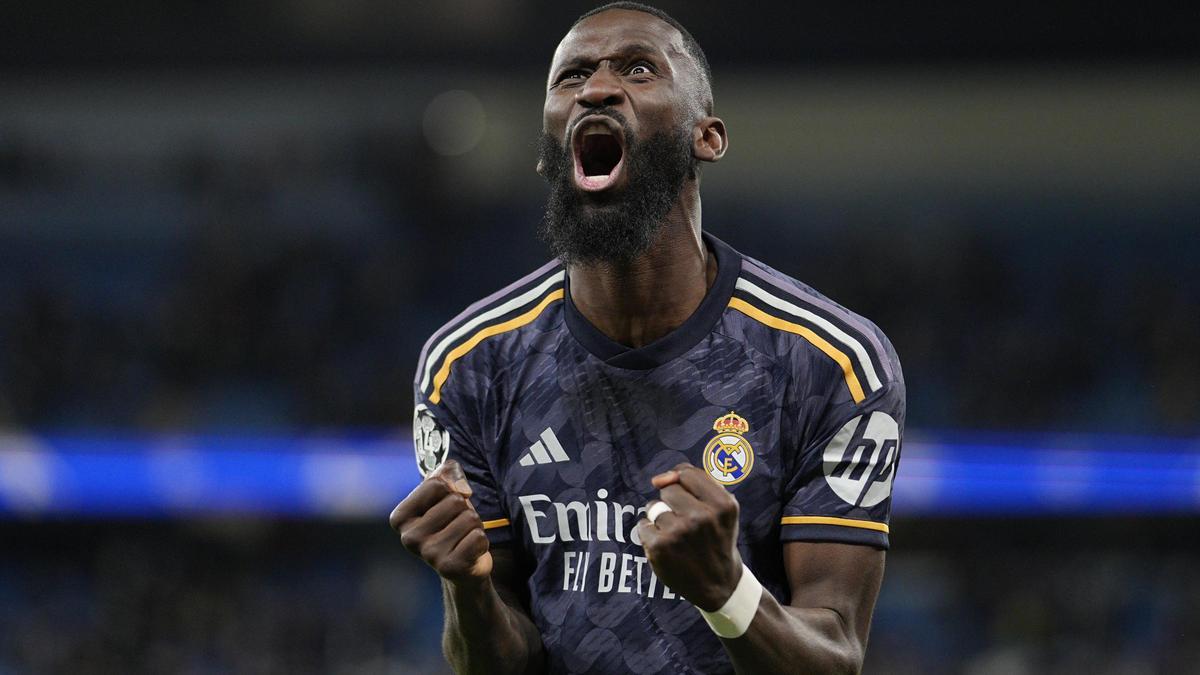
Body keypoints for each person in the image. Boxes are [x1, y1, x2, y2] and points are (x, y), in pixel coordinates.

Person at [390, 3, 904, 673]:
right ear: (550, 155)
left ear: (707, 137)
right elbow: (496, 662)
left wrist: (726, 591)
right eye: (572, 76)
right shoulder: (469, 365)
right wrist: (468, 588)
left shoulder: (832, 362)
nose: (597, 89)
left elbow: (836, 656)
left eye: (638, 69)